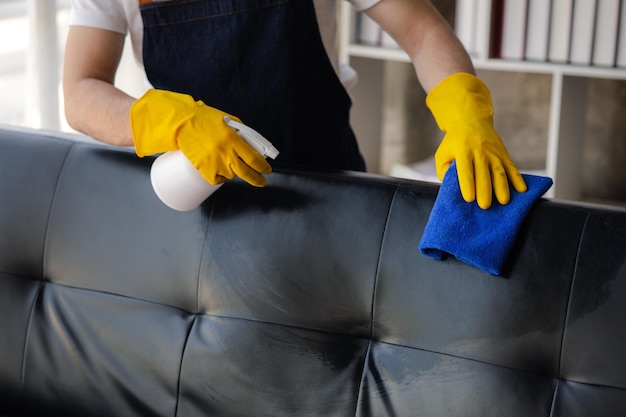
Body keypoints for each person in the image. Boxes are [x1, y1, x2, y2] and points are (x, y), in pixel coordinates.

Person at [63, 0, 527, 210]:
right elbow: (81, 89)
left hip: (331, 193)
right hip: (204, 202)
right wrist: (171, 120)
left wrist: (465, 114)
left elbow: (422, 30)